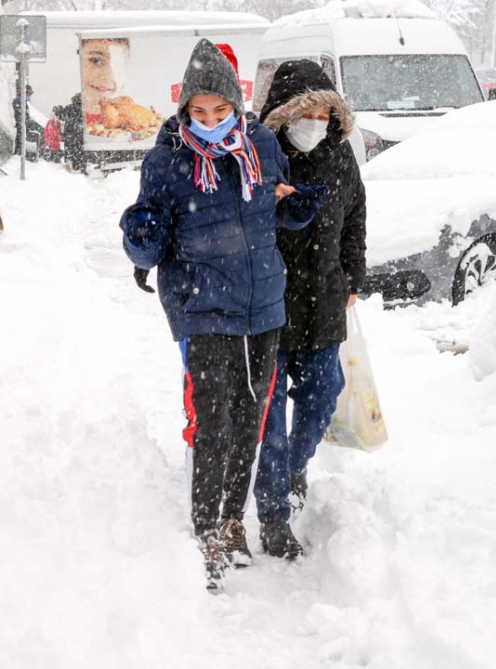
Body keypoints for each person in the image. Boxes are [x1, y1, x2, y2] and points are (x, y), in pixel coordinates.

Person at [120, 40, 325, 592]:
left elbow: (272, 210)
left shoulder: (260, 145)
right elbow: (149, 235)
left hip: (263, 306)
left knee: (250, 418)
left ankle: (233, 518)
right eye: (199, 113)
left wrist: (296, 207)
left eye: (219, 111)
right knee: (215, 423)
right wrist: (141, 236)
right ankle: (206, 529)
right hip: (203, 304)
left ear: (236, 106)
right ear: (185, 111)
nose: (210, 123)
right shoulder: (167, 159)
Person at [254, 59, 367, 559]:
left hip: (323, 305)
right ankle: (274, 516)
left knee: (323, 398)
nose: (315, 124)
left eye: (324, 114)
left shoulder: (341, 157)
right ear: (282, 113)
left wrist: (352, 275)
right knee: (271, 422)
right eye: (307, 113)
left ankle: (296, 467)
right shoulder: (260, 157)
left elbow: (356, 217)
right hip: (270, 310)